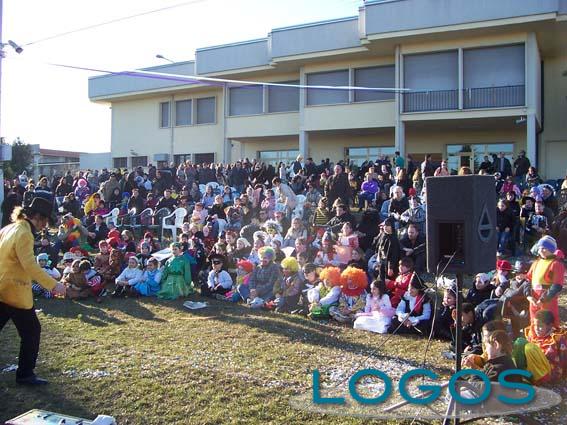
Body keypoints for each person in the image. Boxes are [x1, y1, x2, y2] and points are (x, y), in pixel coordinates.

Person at [0, 197, 66, 385]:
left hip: (2, 288)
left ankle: (25, 373)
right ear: (37, 216)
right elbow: (29, 264)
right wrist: (53, 285)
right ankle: (25, 374)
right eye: (44, 220)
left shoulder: (8, 228)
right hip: (15, 292)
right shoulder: (25, 234)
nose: (45, 225)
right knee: (32, 331)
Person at [526, 235, 564, 328]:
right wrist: (529, 295)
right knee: (534, 322)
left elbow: (556, 286)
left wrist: (543, 299)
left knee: (548, 323)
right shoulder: (536, 262)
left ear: (551, 250)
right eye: (540, 248)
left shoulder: (556, 264)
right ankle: (534, 337)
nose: (541, 250)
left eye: (544, 248)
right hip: (534, 298)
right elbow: (528, 279)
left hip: (547, 299)